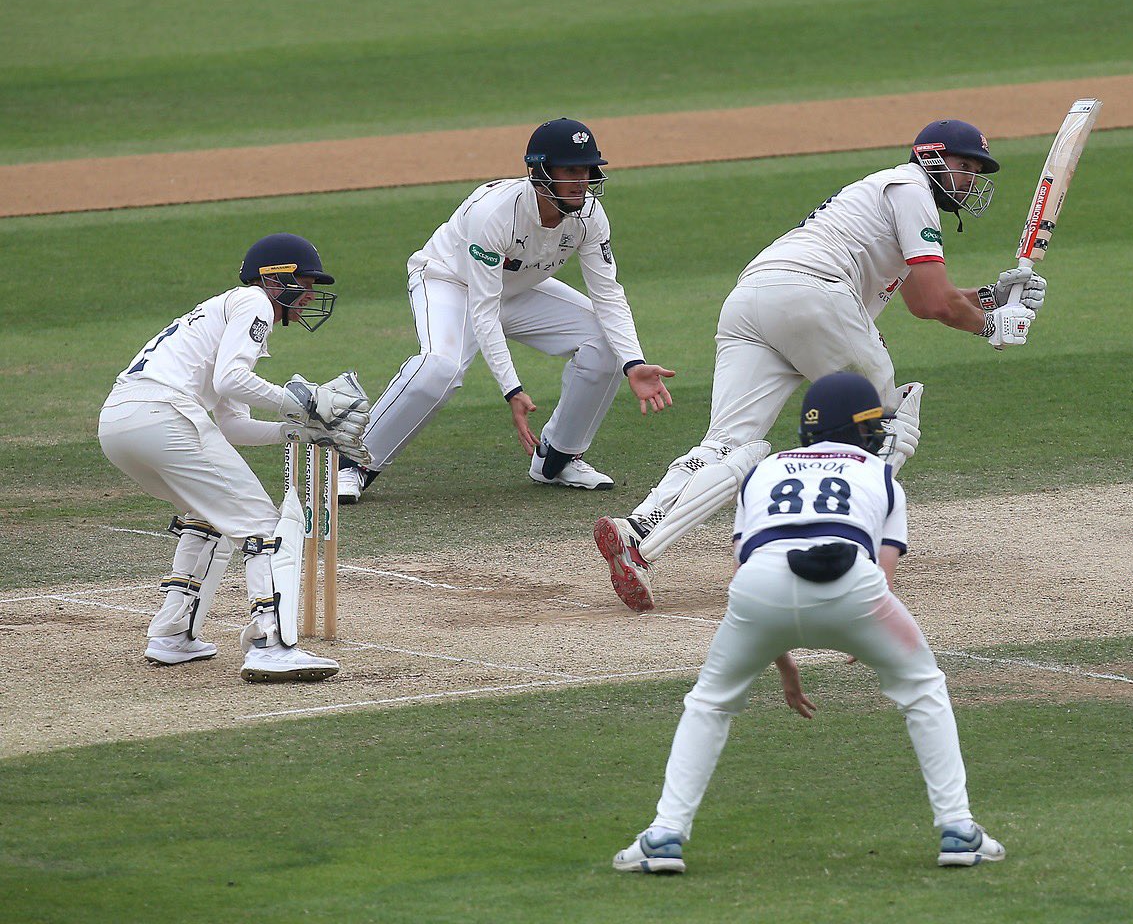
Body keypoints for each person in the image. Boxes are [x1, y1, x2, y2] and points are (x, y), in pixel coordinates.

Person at [595, 118, 1046, 611]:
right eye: (964, 166)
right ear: (932, 158)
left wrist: (990, 298)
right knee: (887, 421)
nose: (971, 179)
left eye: (977, 170)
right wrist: (991, 327)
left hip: (753, 299)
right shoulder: (911, 188)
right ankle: (848, 556)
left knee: (729, 442)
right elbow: (938, 303)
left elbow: (923, 300)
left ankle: (637, 535)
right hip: (813, 296)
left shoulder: (884, 191)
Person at [612, 372, 1005, 873]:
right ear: (859, 430)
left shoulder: (763, 471)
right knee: (923, 689)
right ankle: (958, 830)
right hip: (854, 586)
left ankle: (664, 837)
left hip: (760, 591)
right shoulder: (880, 474)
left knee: (709, 703)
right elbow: (881, 577)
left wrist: (781, 659)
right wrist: (863, 635)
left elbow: (744, 575)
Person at [336, 117, 674, 502]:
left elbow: (608, 294)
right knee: (439, 370)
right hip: (450, 283)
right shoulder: (495, 213)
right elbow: (483, 310)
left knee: (608, 345)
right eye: (570, 170)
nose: (582, 180)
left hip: (518, 288)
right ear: (539, 171)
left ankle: (557, 459)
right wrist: (512, 390)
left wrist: (634, 362)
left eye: (586, 170)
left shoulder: (589, 215)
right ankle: (352, 463)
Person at [98, 233, 372, 683]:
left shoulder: (223, 314)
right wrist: (299, 401)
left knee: (208, 515)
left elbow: (232, 425)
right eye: (303, 283)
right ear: (277, 279)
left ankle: (172, 634)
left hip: (119, 424)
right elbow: (230, 380)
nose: (308, 296)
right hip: (162, 413)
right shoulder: (253, 302)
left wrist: (295, 430)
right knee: (261, 523)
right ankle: (271, 645)